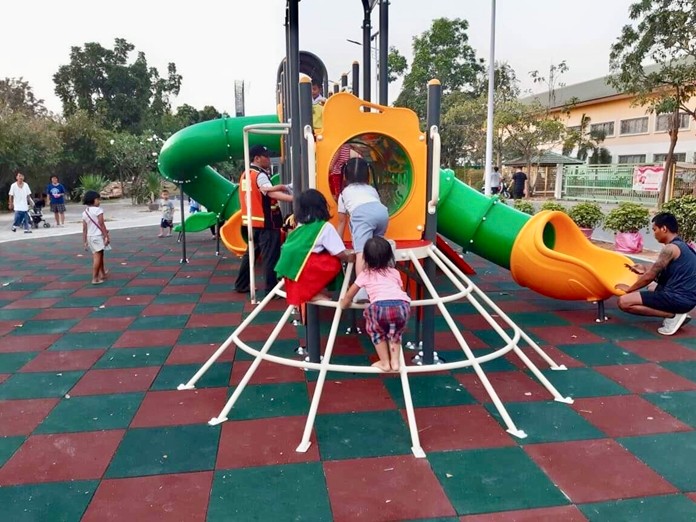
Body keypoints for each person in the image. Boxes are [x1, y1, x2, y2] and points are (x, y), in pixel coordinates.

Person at [616, 212, 696, 336]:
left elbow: (650, 276)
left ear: (664, 228)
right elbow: (659, 268)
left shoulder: (669, 249)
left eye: (655, 230)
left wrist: (629, 289)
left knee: (624, 302)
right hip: (688, 298)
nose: (654, 234)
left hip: (679, 299)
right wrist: (643, 267)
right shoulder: (681, 246)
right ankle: (676, 314)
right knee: (652, 287)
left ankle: (673, 316)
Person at [340, 236, 411, 372]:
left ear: (365, 258)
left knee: (376, 332)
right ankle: (395, 362)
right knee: (395, 332)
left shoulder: (366, 274)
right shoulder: (394, 272)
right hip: (402, 305)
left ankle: (385, 362)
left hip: (379, 306)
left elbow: (351, 293)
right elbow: (400, 291)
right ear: (389, 256)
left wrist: (344, 304)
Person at [275, 189, 354, 305]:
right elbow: (339, 252)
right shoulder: (324, 227)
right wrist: (351, 256)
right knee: (334, 262)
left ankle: (310, 292)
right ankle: (310, 292)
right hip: (303, 270)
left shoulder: (300, 226)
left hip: (289, 270)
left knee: (317, 256)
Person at [234, 144, 294, 296]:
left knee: (251, 255)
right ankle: (271, 289)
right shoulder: (260, 175)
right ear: (257, 158)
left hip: (252, 222)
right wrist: (293, 198)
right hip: (267, 222)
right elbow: (270, 194)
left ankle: (241, 284)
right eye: (266, 156)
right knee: (270, 256)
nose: (269, 159)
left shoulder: (246, 175)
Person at [336, 158, 389, 278]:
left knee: (361, 252)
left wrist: (337, 244)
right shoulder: (372, 189)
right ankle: (381, 279)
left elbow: (341, 221)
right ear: (367, 174)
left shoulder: (344, 194)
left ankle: (361, 289)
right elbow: (375, 204)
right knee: (377, 248)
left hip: (362, 216)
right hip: (382, 213)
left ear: (345, 175)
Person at [82, 190, 110, 285]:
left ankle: (102, 273)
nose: (99, 201)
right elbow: (101, 224)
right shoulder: (98, 210)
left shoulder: (85, 212)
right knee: (97, 256)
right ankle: (95, 278)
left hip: (90, 236)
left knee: (100, 254)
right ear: (94, 200)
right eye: (98, 199)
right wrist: (106, 236)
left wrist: (84, 241)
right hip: (97, 236)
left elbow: (84, 228)